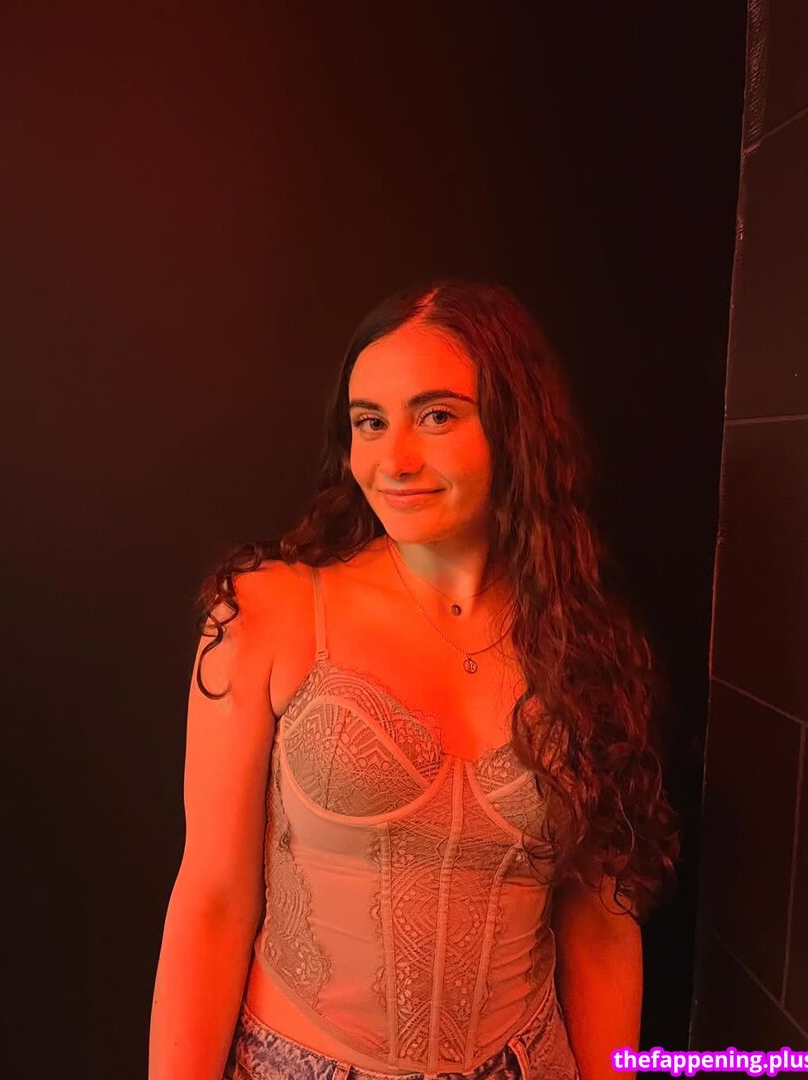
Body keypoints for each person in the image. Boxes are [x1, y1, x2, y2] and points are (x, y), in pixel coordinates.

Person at [149, 279, 681, 1080]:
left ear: (516, 427)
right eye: (370, 422)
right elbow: (213, 901)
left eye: (436, 416)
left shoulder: (585, 644)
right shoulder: (268, 612)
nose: (393, 461)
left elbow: (602, 923)